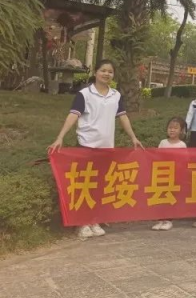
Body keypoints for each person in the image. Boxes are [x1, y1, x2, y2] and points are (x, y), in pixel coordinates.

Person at [48, 59, 143, 240]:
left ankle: (94, 220)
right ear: (96, 72)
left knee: (100, 187)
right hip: (87, 147)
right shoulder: (84, 94)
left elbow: (123, 117)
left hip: (106, 149)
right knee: (85, 186)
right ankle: (82, 223)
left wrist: (133, 137)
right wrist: (60, 137)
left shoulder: (116, 95)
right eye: (103, 70)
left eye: (110, 71)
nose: (106, 74)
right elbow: (73, 115)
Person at [152, 117, 187, 231]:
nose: (172, 130)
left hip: (175, 175)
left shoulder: (182, 145)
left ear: (181, 131)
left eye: (175, 128)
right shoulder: (163, 142)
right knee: (160, 196)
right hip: (162, 174)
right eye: (170, 128)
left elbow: (184, 161)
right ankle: (159, 219)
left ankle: (168, 220)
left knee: (170, 197)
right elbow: (157, 157)